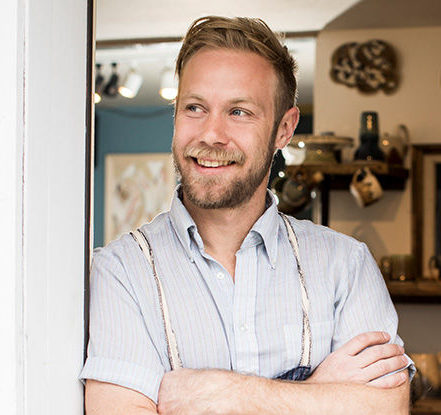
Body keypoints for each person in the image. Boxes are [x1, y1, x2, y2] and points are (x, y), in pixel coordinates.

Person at [81, 16, 414, 414]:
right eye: (195, 107)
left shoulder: (346, 265)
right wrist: (317, 393)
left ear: (284, 129)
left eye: (239, 112)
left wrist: (226, 393)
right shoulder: (121, 271)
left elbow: (385, 408)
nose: (210, 134)